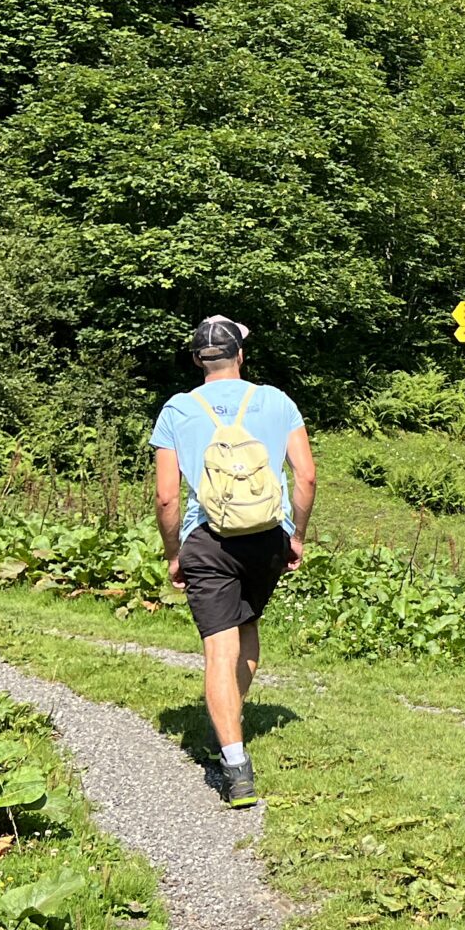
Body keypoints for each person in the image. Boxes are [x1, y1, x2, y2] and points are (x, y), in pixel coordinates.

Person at [150, 315, 315, 807]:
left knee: (219, 651)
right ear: (240, 355)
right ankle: (231, 726)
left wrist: (174, 553)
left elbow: (165, 498)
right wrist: (296, 536)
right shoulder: (277, 401)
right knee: (248, 630)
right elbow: (304, 477)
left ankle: (235, 763)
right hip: (266, 537)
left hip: (208, 540)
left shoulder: (177, 410)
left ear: (199, 359)